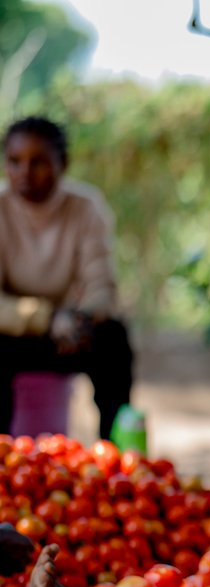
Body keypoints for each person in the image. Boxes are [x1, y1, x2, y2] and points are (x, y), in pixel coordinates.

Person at [0, 117, 133, 440]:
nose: (24, 173)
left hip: (69, 332)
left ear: (63, 164)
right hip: (14, 332)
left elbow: (101, 285)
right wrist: (47, 319)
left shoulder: (86, 208)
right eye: (14, 162)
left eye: (39, 162)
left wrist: (80, 319)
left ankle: (113, 460)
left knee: (114, 340)